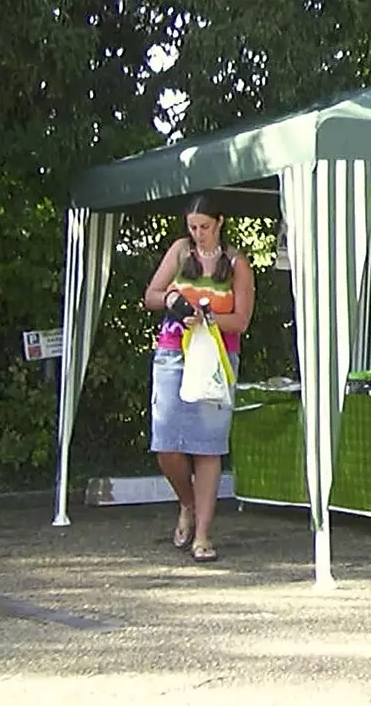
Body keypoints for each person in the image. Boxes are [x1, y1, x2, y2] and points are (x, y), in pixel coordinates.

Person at [143, 195, 255, 563]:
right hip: (174, 352)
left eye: (204, 227)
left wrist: (206, 319)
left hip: (216, 359)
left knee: (208, 447)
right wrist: (174, 301)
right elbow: (152, 296)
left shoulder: (237, 263)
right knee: (166, 443)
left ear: (220, 222)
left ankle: (203, 535)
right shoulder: (180, 251)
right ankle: (187, 503)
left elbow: (240, 321)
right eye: (193, 227)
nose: (198, 234)